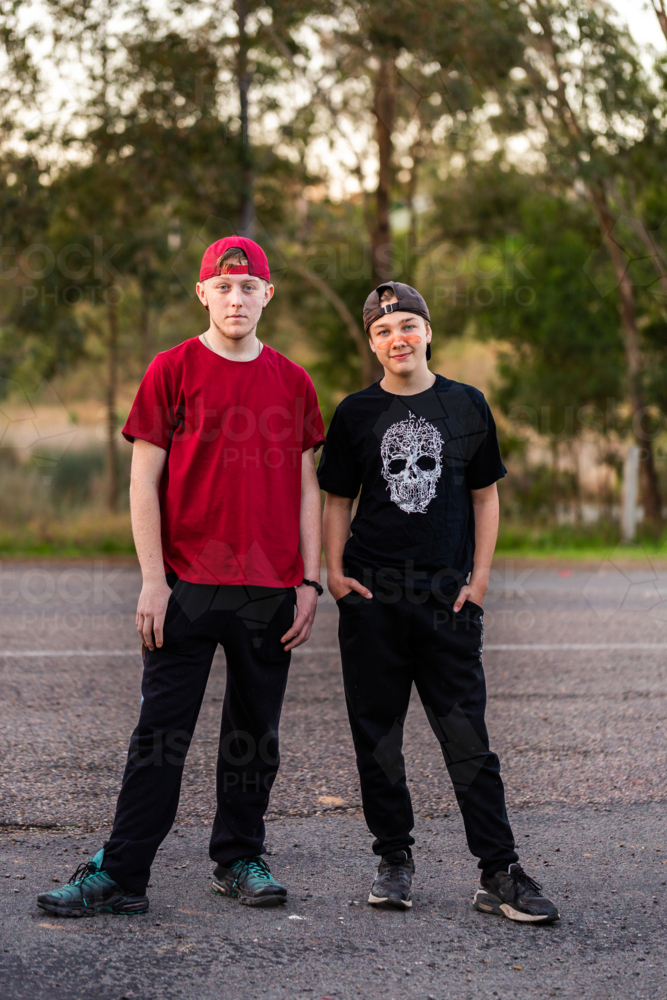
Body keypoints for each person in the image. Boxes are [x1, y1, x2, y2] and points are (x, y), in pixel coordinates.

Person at [37, 236, 325, 917]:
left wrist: (309, 584)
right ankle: (121, 875)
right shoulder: (171, 368)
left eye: (248, 287)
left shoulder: (292, 380)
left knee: (254, 736)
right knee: (160, 737)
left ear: (266, 295)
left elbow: (307, 488)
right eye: (222, 288)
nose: (235, 298)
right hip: (184, 585)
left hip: (269, 589)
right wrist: (151, 580)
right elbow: (144, 480)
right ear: (202, 293)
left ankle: (238, 858)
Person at [317, 281, 559, 923]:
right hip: (373, 598)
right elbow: (337, 498)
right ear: (372, 344)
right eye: (382, 330)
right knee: (379, 736)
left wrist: (478, 581)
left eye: (406, 325)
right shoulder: (355, 414)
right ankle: (394, 858)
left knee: (467, 737)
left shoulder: (467, 405)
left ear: (428, 331)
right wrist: (335, 574)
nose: (396, 338)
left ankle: (499, 870)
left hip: (447, 599)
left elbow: (485, 495)